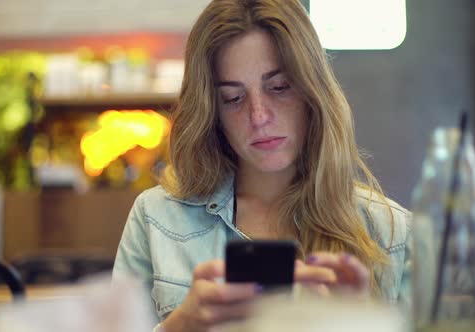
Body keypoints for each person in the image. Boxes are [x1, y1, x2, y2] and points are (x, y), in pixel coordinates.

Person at [112, 0, 412, 331]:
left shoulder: (391, 232)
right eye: (233, 98)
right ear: (213, 111)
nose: (258, 116)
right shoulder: (156, 218)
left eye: (279, 87)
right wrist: (179, 327)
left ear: (313, 93)